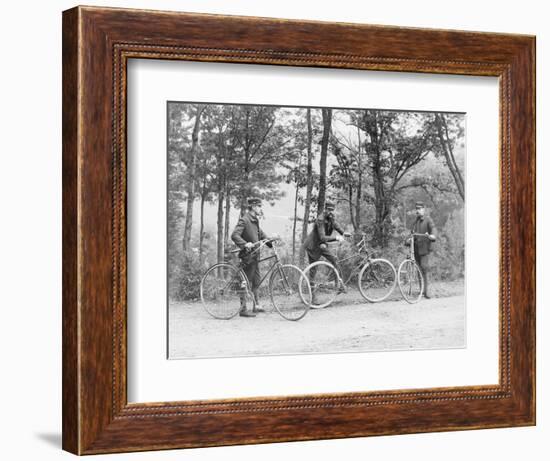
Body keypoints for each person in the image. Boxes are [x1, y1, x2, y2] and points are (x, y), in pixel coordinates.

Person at [231, 197, 274, 317]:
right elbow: (234, 235)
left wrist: (271, 240)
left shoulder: (254, 220)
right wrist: (245, 244)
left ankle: (256, 305)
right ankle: (243, 309)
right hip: (247, 256)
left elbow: (260, 234)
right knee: (245, 282)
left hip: (255, 256)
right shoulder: (245, 220)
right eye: (259, 206)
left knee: (256, 281)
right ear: (254, 207)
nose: (260, 209)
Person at [303, 201, 350, 304]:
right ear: (325, 209)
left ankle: (338, 286)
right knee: (313, 271)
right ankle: (313, 298)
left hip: (322, 245)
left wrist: (343, 232)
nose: (330, 212)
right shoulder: (320, 220)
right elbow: (322, 237)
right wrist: (337, 238)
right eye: (329, 210)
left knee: (334, 260)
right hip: (313, 246)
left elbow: (335, 225)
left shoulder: (331, 217)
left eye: (332, 210)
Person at [410, 201, 436, 298]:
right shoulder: (415, 222)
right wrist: (409, 239)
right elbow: (412, 233)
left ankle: (427, 292)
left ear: (424, 210)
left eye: (419, 209)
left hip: (425, 249)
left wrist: (433, 235)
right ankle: (422, 291)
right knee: (418, 270)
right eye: (416, 209)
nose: (418, 211)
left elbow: (433, 228)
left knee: (424, 268)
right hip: (416, 249)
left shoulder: (428, 220)